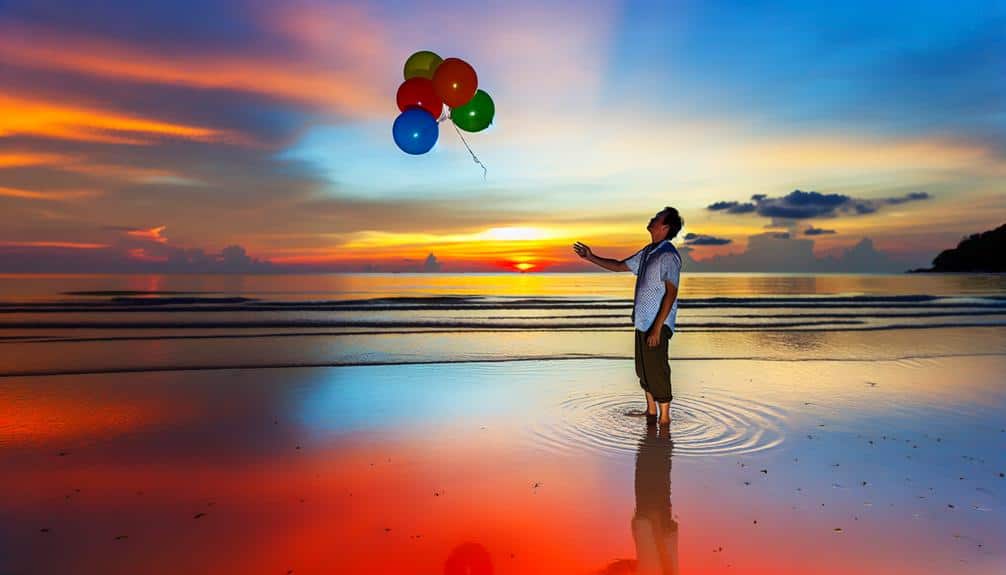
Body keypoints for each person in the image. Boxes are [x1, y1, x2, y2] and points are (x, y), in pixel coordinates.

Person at [572, 207, 684, 426]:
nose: (652, 219)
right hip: (643, 322)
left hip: (657, 324)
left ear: (665, 227)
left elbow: (671, 292)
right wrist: (590, 257)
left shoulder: (668, 254)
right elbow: (619, 266)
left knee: (657, 369)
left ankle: (665, 418)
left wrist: (657, 328)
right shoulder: (648, 251)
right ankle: (651, 411)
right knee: (643, 369)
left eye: (657, 218)